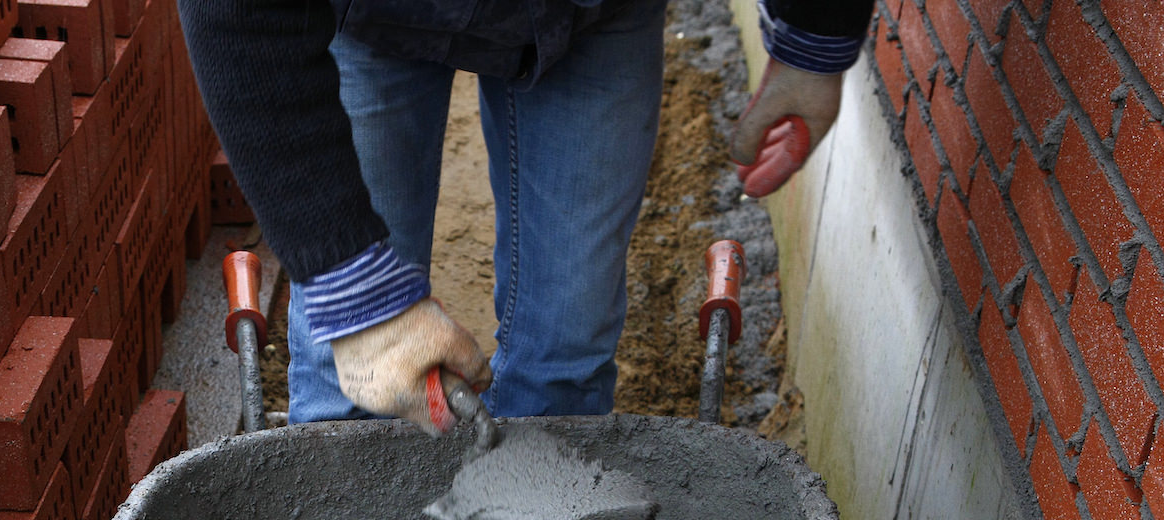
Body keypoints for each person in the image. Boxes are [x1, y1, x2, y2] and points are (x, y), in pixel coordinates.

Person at [178, 0, 873, 430]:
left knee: (563, 365)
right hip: (375, 15)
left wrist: (816, 33)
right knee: (354, 380)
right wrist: (355, 292)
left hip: (590, 16)